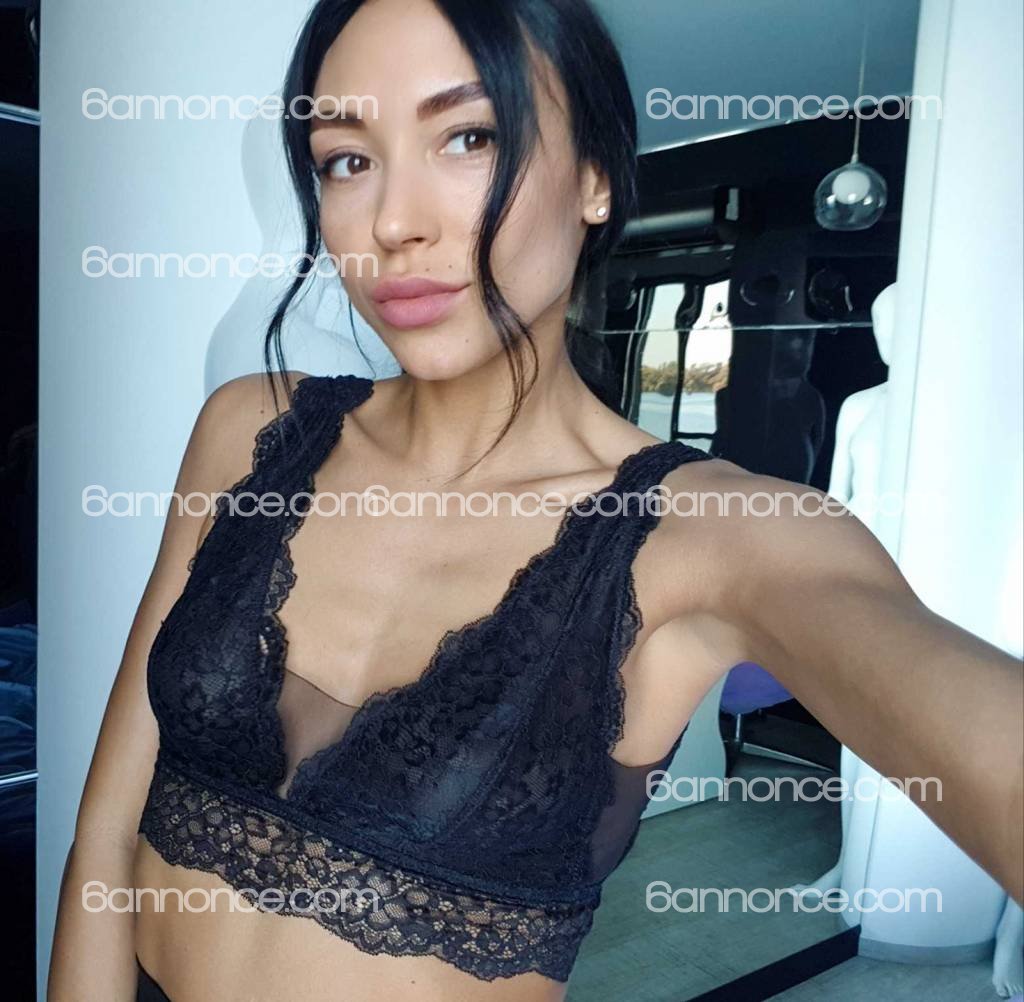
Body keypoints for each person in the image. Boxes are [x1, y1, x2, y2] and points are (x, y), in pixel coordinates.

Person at [47, 1, 1023, 1000]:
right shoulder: (249, 429)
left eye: (469, 137)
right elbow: (107, 832)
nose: (392, 222)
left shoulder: (715, 538)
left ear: (596, 176)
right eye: (347, 159)